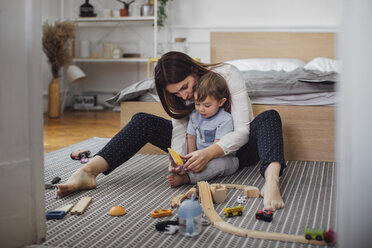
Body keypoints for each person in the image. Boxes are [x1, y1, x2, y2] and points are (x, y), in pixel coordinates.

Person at [57, 51, 286, 211]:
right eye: (177, 93)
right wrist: (177, 159)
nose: (185, 96)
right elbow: (179, 131)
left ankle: (271, 181)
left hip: (239, 150)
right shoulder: (181, 98)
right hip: (197, 146)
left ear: (193, 70)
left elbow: (243, 131)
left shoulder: (228, 74)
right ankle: (89, 172)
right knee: (142, 121)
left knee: (270, 117)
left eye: (185, 87)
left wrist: (209, 153)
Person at [167, 72, 239, 187]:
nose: (201, 109)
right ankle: (187, 171)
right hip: (199, 156)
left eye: (207, 105)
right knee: (187, 162)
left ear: (221, 102)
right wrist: (189, 159)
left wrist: (202, 160)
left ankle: (187, 178)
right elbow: (191, 137)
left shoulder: (225, 119)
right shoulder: (194, 115)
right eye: (197, 104)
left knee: (218, 165)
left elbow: (218, 146)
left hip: (221, 157)